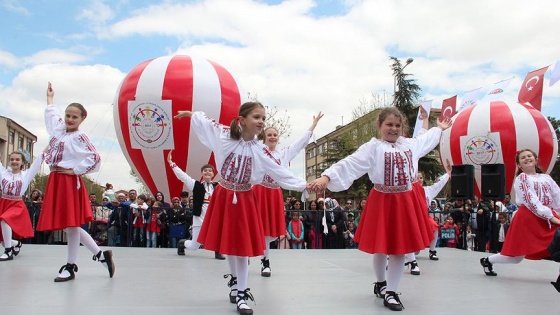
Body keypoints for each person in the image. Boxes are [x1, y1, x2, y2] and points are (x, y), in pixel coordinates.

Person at [309, 107, 451, 311]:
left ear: (402, 128)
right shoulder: (373, 147)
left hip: (404, 201)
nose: (393, 129)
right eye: (389, 125)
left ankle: (391, 292)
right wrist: (326, 177)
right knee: (381, 247)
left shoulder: (410, 145)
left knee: (399, 248)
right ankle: (381, 283)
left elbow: (427, 139)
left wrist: (439, 129)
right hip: (382, 200)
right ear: (379, 126)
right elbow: (350, 163)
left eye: (397, 125)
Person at [174, 102, 307, 314]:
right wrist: (190, 114)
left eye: (263, 118)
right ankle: (235, 283)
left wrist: (304, 185)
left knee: (242, 248)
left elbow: (279, 171)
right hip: (224, 195)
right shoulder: (224, 135)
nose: (261, 122)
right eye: (257, 117)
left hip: (245, 197)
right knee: (230, 245)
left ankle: (242, 293)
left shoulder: (261, 150)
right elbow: (207, 123)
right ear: (242, 120)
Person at [36, 82, 114, 281]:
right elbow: (52, 117)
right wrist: (50, 98)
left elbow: (94, 157)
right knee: (71, 225)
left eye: (74, 116)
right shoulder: (59, 131)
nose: (70, 119)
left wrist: (75, 170)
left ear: (82, 118)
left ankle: (71, 266)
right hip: (56, 180)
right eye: (68, 115)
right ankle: (100, 255)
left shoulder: (80, 137)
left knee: (71, 225)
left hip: (67, 181)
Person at [480, 149, 560, 293]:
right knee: (516, 257)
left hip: (547, 216)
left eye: (529, 156)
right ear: (519, 165)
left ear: (536, 160)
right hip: (529, 218)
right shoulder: (522, 178)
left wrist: (555, 214)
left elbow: (557, 197)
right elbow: (531, 201)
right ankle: (488, 260)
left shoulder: (546, 178)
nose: (527, 158)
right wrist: (552, 217)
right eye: (523, 158)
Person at [253, 112, 322, 276]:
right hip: (259, 192)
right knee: (255, 226)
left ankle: (265, 260)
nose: (272, 137)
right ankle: (248, 254)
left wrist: (313, 126)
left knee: (270, 231)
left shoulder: (283, 154)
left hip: (274, 193)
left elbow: (299, 144)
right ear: (263, 137)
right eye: (269, 134)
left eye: (275, 135)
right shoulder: (258, 150)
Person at [167, 156, 225, 260]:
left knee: (218, 234)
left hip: (213, 216)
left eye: (210, 171)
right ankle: (182, 243)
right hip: (199, 217)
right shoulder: (196, 185)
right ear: (202, 173)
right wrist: (172, 163)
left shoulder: (218, 186)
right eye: (205, 170)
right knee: (194, 246)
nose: (208, 172)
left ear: (213, 173)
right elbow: (183, 176)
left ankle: (218, 252)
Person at [404, 166, 450, 276]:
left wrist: (448, 174)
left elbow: (438, 184)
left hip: (424, 218)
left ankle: (432, 251)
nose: (419, 179)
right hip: (411, 218)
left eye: (421, 177)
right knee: (409, 236)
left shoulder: (428, 190)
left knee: (434, 226)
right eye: (417, 177)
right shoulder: (408, 190)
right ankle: (409, 258)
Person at [0, 151, 45, 261]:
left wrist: (53, 141)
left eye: (17, 159)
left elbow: (38, 161)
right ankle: (16, 243)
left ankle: (8, 251)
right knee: (2, 238)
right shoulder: (3, 173)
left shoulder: (26, 175)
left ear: (22, 163)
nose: (14, 161)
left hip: (16, 204)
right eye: (12, 159)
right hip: (3, 203)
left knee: (4, 220)